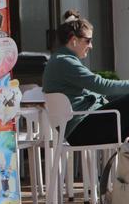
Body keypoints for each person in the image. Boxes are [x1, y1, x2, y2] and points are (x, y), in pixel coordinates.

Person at [42, 10, 129, 145]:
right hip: (82, 130)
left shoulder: (61, 60)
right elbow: (102, 86)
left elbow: (97, 91)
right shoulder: (64, 62)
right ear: (74, 40)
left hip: (81, 128)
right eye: (88, 41)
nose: (91, 46)